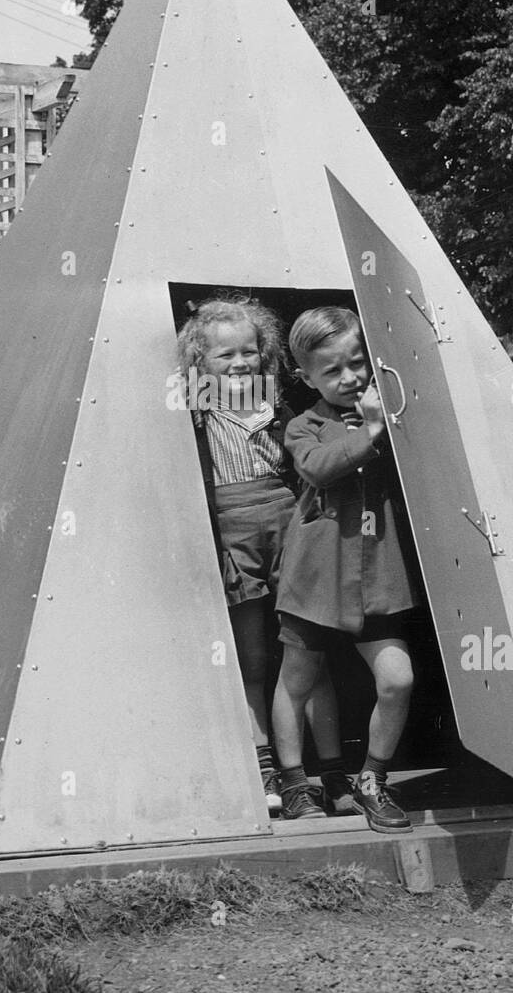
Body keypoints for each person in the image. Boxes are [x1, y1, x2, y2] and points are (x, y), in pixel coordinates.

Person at [176, 296, 357, 820]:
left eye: (250, 352)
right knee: (252, 658)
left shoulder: (278, 406)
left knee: (309, 652)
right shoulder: (194, 411)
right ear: (198, 363)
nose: (240, 364)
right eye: (224, 355)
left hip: (291, 529)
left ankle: (329, 772)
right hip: (232, 537)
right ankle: (264, 766)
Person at [272, 306, 423, 833]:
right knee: (298, 681)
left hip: (379, 579)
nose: (350, 378)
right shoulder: (303, 425)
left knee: (397, 680)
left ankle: (371, 780)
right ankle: (295, 781)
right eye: (331, 371)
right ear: (306, 376)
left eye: (357, 363)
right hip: (315, 577)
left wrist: (385, 423)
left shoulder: (395, 414)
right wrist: (373, 430)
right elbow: (317, 466)